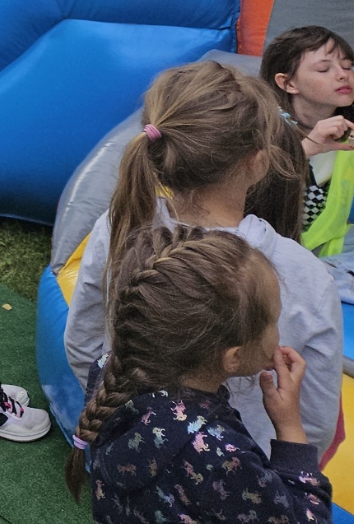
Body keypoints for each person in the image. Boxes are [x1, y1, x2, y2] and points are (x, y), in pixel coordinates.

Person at [64, 61, 342, 456]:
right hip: (246, 482)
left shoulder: (120, 223)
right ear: (258, 160)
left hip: (132, 452)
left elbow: (83, 341)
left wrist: (117, 418)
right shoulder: (304, 273)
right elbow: (315, 418)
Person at [67, 224, 332, 524]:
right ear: (234, 357)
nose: (277, 331)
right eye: (273, 320)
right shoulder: (222, 457)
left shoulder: (110, 370)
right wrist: (290, 428)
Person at [262, 27, 354, 263]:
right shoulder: (259, 127)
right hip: (262, 256)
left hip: (330, 261)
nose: (343, 75)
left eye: (347, 66)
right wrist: (306, 149)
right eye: (324, 69)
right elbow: (237, 194)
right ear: (288, 83)